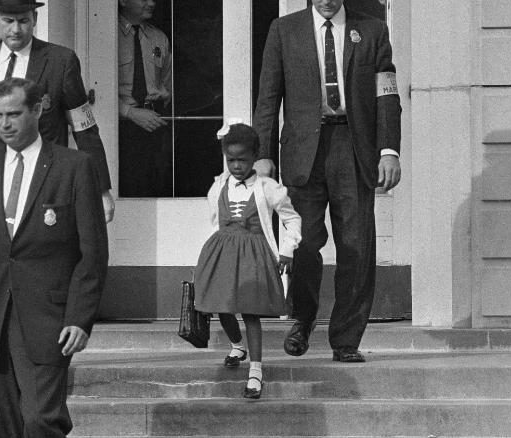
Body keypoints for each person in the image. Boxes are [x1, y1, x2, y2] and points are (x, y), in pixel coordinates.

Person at [0, 77, 108, 437]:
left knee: (42, 420)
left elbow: (92, 253)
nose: (5, 124)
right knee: (5, 428)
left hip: (50, 320)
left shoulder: (73, 167)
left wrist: (80, 318)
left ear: (38, 109)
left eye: (14, 113)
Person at [253, 0, 402, 362]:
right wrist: (262, 154)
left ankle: (346, 339)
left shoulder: (373, 30)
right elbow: (269, 97)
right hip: (304, 152)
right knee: (302, 242)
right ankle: (303, 318)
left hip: (354, 148)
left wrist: (388, 150)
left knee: (356, 246)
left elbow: (387, 96)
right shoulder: (283, 31)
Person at [0, 0, 115, 222]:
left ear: (35, 18)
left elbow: (84, 128)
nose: (15, 29)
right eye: (8, 21)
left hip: (44, 190)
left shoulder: (61, 62)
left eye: (23, 21)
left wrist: (101, 189)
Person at [194, 123, 301, 399]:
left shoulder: (268, 188)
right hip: (223, 252)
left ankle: (255, 371)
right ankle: (237, 344)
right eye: (231, 160)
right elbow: (216, 220)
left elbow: (292, 218)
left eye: (242, 159)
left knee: (250, 312)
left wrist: (288, 249)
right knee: (221, 305)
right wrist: (209, 258)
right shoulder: (219, 186)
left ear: (255, 157)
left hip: (254, 254)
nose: (237, 166)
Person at [117, 0, 173, 197]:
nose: (151, 3)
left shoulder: (159, 38)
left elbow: (168, 84)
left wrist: (164, 99)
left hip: (154, 124)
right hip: (121, 129)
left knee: (157, 188)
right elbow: (98, 91)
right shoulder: (108, 35)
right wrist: (130, 112)